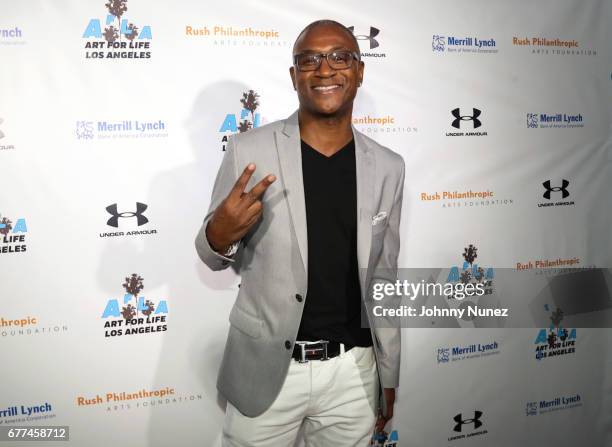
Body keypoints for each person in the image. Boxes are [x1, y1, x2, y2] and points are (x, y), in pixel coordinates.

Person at [195, 19, 405, 446]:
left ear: (360, 71)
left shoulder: (388, 166)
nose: (324, 69)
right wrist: (220, 234)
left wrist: (389, 368)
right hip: (268, 370)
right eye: (309, 59)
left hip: (354, 373)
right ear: (294, 77)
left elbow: (384, 278)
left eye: (340, 57)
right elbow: (212, 252)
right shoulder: (249, 150)